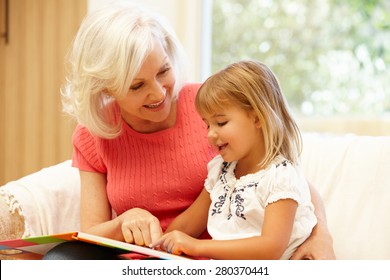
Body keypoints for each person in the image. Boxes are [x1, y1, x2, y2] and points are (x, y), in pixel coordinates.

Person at [44, 3, 335, 260]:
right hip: (150, 256)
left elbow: (287, 181)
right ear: (106, 87)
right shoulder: (93, 134)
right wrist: (126, 224)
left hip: (208, 257)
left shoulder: (211, 109)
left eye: (163, 71)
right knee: (61, 258)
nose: (158, 93)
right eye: (137, 86)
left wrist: (321, 235)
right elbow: (93, 233)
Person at [151, 60, 316, 259]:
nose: (210, 134)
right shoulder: (221, 171)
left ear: (257, 118)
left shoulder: (280, 176)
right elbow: (188, 224)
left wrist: (196, 247)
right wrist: (159, 245)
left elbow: (270, 248)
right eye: (207, 125)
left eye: (220, 122)